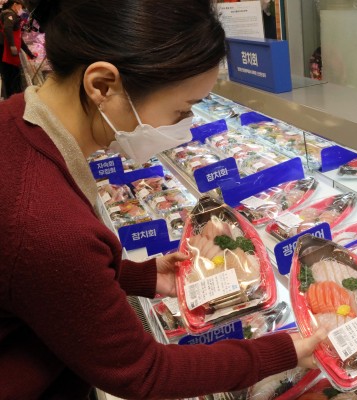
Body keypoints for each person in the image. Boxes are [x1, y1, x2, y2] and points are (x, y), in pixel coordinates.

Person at [0, 1, 325, 399]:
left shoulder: (16, 121)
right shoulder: (43, 220)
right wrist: (285, 350)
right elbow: (143, 372)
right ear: (102, 85)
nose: (184, 130)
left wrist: (140, 276)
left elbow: (49, 280)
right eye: (181, 110)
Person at [0, 0, 36, 98]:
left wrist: (29, 53)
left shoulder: (15, 16)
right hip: (6, 51)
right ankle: (11, 97)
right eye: (21, 7)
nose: (22, 10)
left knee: (12, 75)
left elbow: (18, 37)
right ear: (15, 5)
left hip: (10, 50)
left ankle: (13, 95)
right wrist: (12, 46)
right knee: (9, 75)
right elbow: (7, 29)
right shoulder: (9, 14)